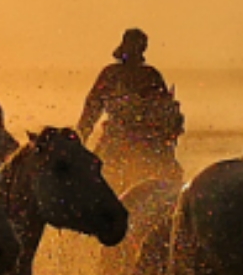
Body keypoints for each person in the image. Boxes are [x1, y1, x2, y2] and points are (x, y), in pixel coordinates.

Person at [76, 28, 185, 185]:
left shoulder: (147, 75)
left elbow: (166, 112)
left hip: (141, 142)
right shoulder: (114, 74)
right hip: (123, 141)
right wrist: (81, 136)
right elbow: (92, 108)